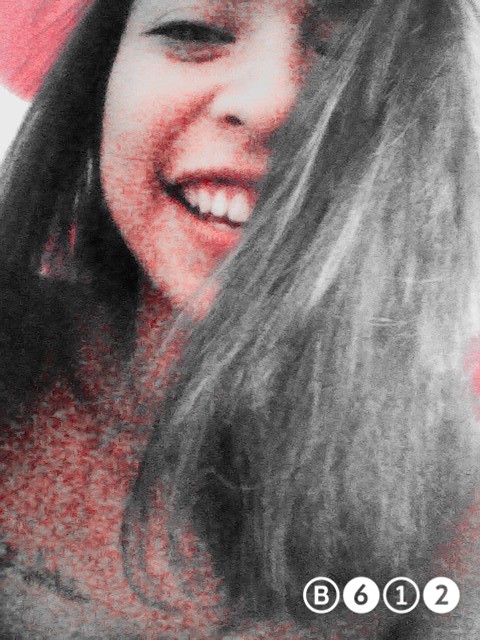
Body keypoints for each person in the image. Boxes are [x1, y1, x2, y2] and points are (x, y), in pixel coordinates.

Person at [0, 1, 479, 640]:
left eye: (348, 54)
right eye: (192, 30)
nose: (270, 104)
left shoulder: (454, 492)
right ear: (102, 79)